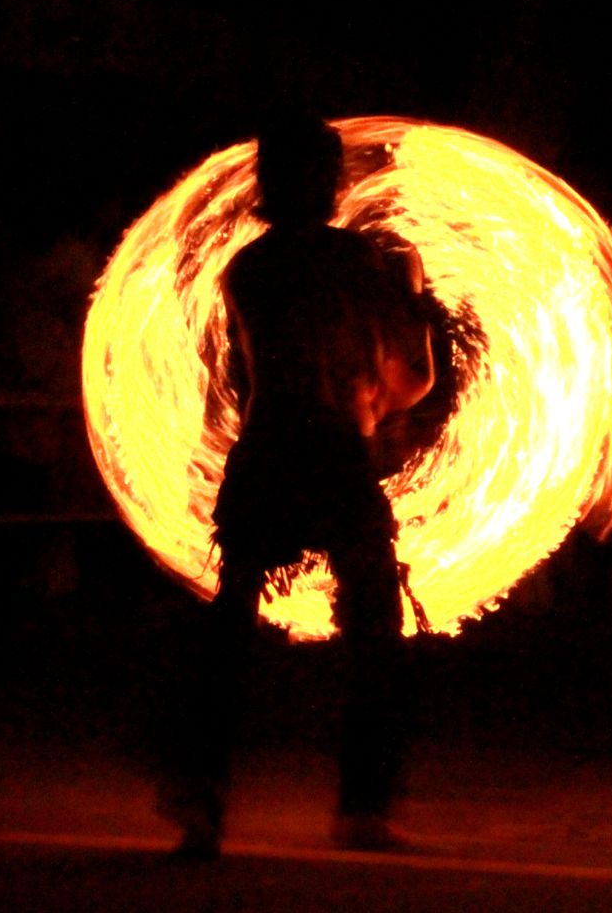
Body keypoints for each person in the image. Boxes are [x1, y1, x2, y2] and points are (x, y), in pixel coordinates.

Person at [158, 114, 439, 859]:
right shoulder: (358, 261)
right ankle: (362, 809)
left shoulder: (244, 269)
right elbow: (411, 380)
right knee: (376, 628)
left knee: (229, 632)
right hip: (334, 457)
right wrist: (411, 294)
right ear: (328, 184)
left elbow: (241, 373)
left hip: (265, 457)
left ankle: (201, 800)